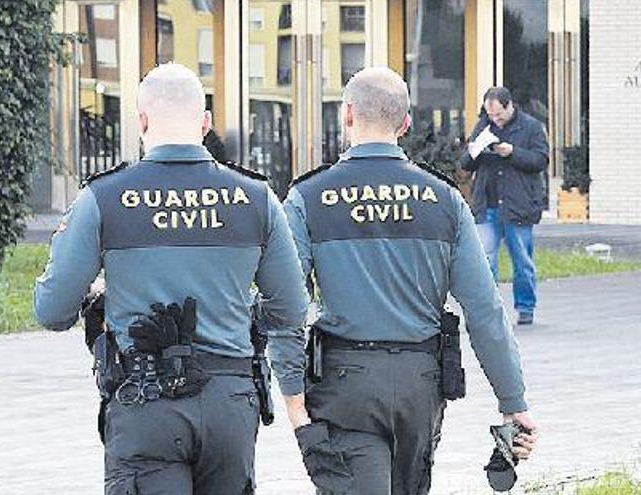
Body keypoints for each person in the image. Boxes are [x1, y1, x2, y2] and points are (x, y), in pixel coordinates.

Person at [33, 63, 310, 494]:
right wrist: (238, 312)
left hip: (146, 401)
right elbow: (291, 308)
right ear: (205, 124)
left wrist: (98, 291)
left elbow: (52, 311)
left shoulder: (103, 197)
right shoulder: (256, 197)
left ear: (142, 121)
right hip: (229, 404)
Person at [283, 67, 538, 494]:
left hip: (346, 385)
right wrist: (513, 403)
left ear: (347, 115)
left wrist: (293, 399)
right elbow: (484, 309)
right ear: (404, 124)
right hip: (420, 386)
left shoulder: (309, 197)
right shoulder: (443, 199)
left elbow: (286, 305)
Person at [459, 87, 550, 326]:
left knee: (522, 260)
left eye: (499, 114)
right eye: (491, 115)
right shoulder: (483, 126)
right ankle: (489, 311)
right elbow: (465, 163)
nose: (495, 119)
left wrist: (512, 152)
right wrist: (475, 151)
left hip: (518, 205)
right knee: (485, 262)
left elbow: (540, 160)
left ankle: (526, 307)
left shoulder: (531, 127)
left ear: (510, 106)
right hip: (487, 203)